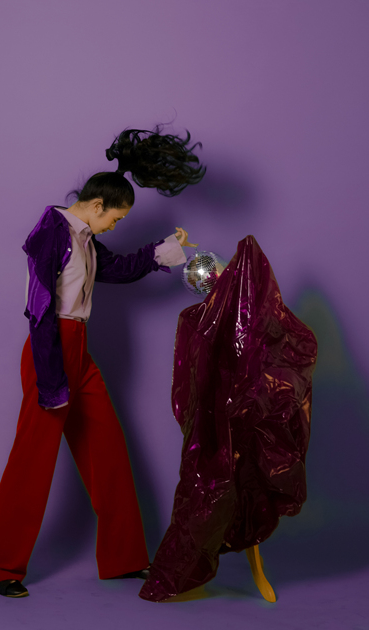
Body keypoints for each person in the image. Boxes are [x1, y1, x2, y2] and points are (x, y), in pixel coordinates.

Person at [0, 126, 205, 598]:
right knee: (32, 460)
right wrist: (50, 378)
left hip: (80, 351)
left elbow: (116, 269)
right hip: (50, 350)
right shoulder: (51, 231)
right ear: (97, 205)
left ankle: (124, 560)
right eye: (115, 220)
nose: (114, 227)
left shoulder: (84, 237)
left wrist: (164, 250)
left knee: (108, 453)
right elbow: (40, 306)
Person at [139, 235, 318, 603]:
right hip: (222, 422)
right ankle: (197, 564)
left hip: (242, 417)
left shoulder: (238, 315)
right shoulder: (205, 321)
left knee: (241, 484)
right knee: (221, 488)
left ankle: (228, 561)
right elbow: (197, 381)